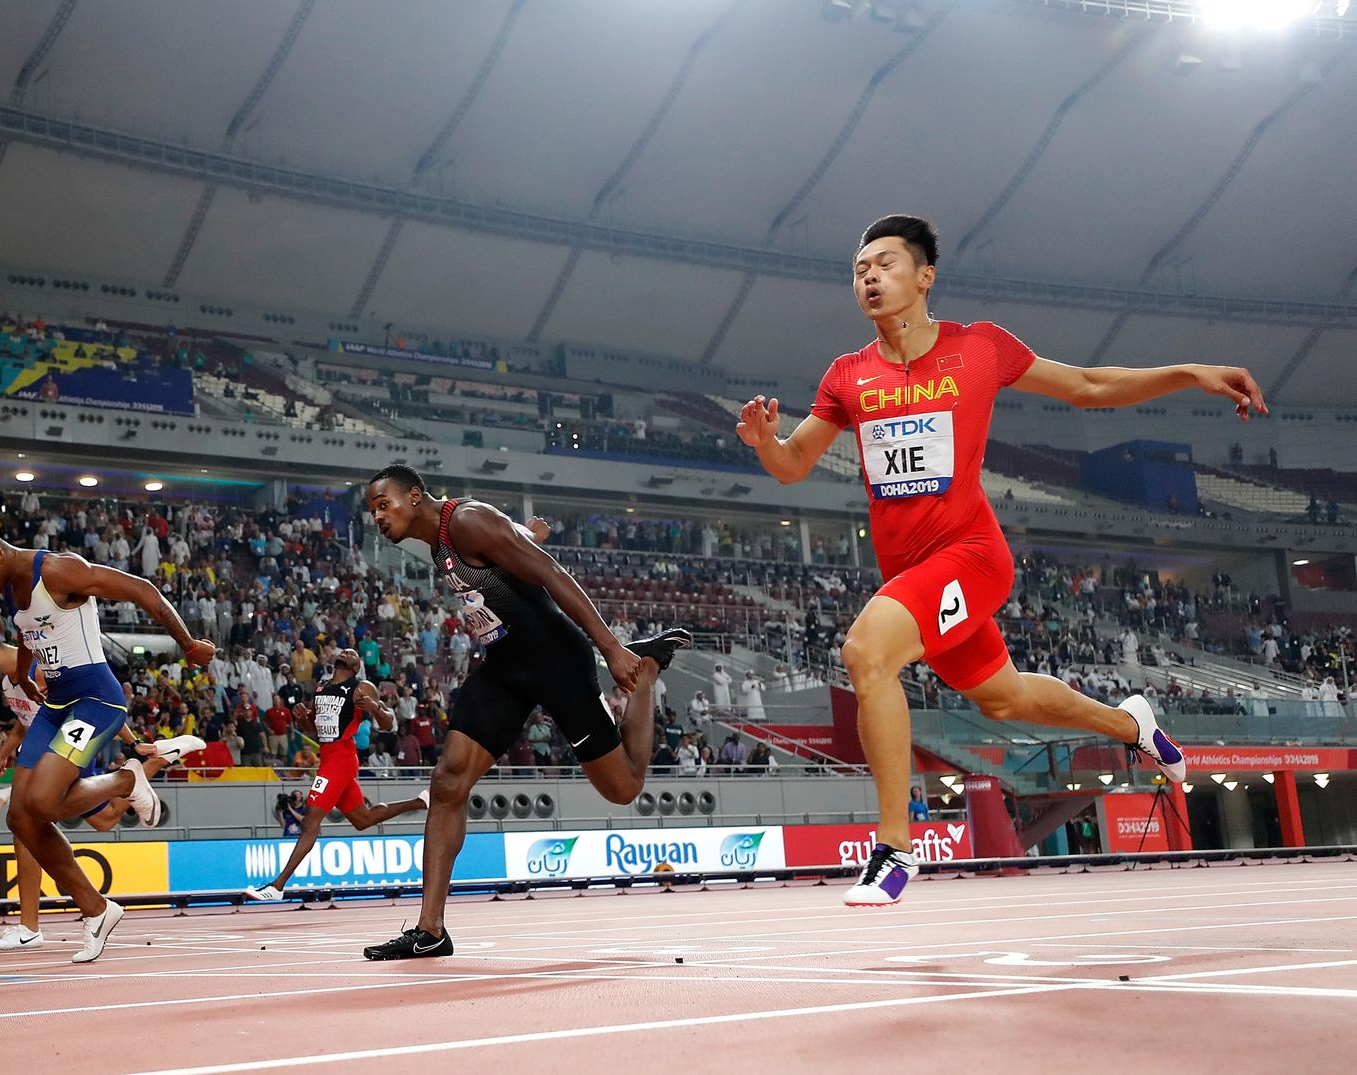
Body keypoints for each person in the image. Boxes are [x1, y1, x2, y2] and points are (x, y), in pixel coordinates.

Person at [735, 215, 1247, 906]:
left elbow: (1089, 385)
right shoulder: (847, 375)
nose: (869, 276)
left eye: (885, 263)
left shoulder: (980, 347)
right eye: (859, 269)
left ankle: (893, 850)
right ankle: (1134, 723)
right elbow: (794, 464)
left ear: (925, 276)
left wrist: (1189, 371)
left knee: (867, 652)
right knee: (1004, 698)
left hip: (971, 556)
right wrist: (767, 443)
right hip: (913, 575)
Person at [356, 464, 689, 960]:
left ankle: (645, 671)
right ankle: (431, 930)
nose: (378, 518)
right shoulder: (439, 541)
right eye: (372, 511)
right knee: (448, 781)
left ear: (416, 495)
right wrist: (524, 535)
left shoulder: (467, 521)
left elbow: (552, 574)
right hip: (506, 667)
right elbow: (508, 553)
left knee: (623, 788)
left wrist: (611, 650)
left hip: (557, 662)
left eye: (385, 504)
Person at [0, 524, 212, 962]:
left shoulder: (58, 571)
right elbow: (26, 631)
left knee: (46, 802)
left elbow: (141, 588)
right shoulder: (12, 590)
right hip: (56, 707)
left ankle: (125, 781)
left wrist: (186, 644)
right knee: (21, 817)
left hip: (95, 701)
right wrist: (23, 674)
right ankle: (97, 909)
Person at [0, 634, 197, 952]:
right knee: (81, 822)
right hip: (40, 752)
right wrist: (3, 755)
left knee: (36, 818)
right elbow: (24, 721)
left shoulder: (41, 668)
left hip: (67, 751)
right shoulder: (6, 685)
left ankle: (138, 772)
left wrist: (130, 740)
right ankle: (145, 769)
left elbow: (92, 703)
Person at [246, 648, 428, 901]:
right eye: (345, 651)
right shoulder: (321, 688)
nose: (347, 652)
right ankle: (420, 802)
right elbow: (313, 728)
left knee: (310, 820)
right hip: (328, 758)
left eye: (353, 653)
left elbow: (389, 725)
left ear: (356, 667)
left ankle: (277, 886)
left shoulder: (361, 687)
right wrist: (302, 718)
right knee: (362, 820)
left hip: (341, 759)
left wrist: (375, 708)